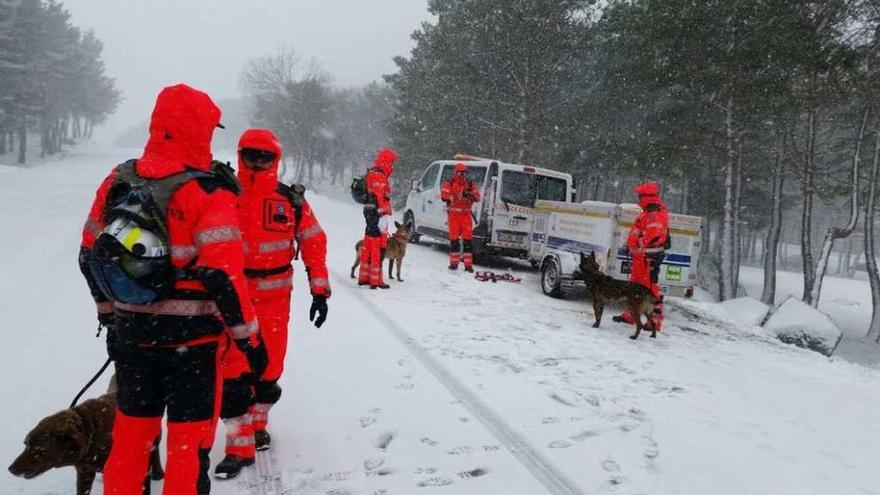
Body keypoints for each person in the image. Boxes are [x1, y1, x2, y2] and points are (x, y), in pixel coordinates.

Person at [78, 84, 266, 495]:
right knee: (187, 448)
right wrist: (250, 343)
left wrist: (109, 314)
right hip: (193, 347)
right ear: (201, 129)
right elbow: (223, 278)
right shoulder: (209, 191)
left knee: (129, 442)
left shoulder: (119, 180)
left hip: (132, 337)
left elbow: (88, 254)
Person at [214, 129, 331, 479]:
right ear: (240, 154)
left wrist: (320, 289)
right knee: (233, 372)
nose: (258, 162)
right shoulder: (222, 193)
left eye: (265, 156)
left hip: (276, 299)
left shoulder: (289, 200)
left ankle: (259, 424)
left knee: (269, 370)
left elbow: (313, 241)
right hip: (233, 298)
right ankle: (239, 447)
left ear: (276, 158)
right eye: (251, 154)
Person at [613, 182, 669, 331]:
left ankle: (654, 321)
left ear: (647, 197)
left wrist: (637, 244)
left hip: (648, 258)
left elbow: (653, 236)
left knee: (651, 289)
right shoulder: (648, 212)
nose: (638, 199)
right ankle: (631, 314)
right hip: (641, 258)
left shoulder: (654, 214)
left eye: (640, 196)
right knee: (635, 288)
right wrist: (631, 245)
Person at [358, 148, 397, 289]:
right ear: (387, 162)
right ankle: (376, 280)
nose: (392, 166)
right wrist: (382, 214)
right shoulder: (379, 176)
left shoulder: (372, 173)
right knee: (378, 247)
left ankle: (364, 276)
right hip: (378, 215)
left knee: (368, 245)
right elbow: (380, 197)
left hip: (370, 213)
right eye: (391, 163)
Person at [440, 163, 481, 272]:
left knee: (468, 241)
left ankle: (468, 265)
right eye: (460, 172)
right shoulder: (449, 183)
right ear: (456, 172)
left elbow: (477, 196)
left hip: (466, 216)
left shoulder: (471, 184)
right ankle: (454, 264)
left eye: (464, 173)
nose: (462, 175)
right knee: (454, 241)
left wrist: (470, 195)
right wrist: (457, 196)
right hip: (454, 216)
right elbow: (444, 197)